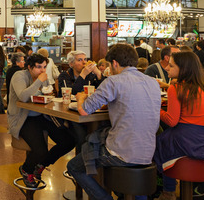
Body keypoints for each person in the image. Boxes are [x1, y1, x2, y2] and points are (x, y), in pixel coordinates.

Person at [67, 44, 161, 200]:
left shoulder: (113, 81)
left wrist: (80, 98)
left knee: (74, 167)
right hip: (148, 151)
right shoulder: (152, 82)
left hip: (122, 152)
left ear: (115, 63)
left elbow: (84, 110)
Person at [153, 50, 204, 200]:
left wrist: (154, 107)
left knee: (157, 140)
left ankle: (167, 191)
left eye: (171, 66)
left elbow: (171, 120)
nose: (167, 68)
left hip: (188, 142)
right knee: (165, 137)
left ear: (182, 69)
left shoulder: (176, 88)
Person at [8, 53, 76, 188]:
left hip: (42, 116)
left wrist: (48, 93)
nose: (43, 71)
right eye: (39, 67)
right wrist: (39, 81)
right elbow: (23, 96)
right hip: (24, 118)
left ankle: (41, 165)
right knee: (40, 150)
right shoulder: (19, 76)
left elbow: (45, 93)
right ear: (29, 67)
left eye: (44, 67)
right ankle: (26, 169)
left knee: (69, 141)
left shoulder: (42, 77)